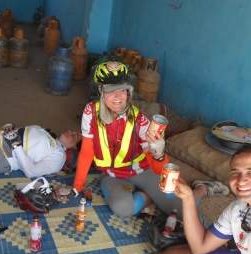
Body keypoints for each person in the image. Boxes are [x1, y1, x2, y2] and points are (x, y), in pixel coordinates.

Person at [72, 60, 229, 218]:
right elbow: (87, 152)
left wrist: (159, 153)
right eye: (111, 90)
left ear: (129, 92)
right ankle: (149, 198)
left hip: (143, 171)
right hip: (112, 175)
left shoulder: (141, 122)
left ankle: (202, 188)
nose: (118, 96)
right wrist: (77, 186)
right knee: (122, 208)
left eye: (123, 90)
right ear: (100, 91)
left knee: (181, 211)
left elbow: (158, 167)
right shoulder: (90, 112)